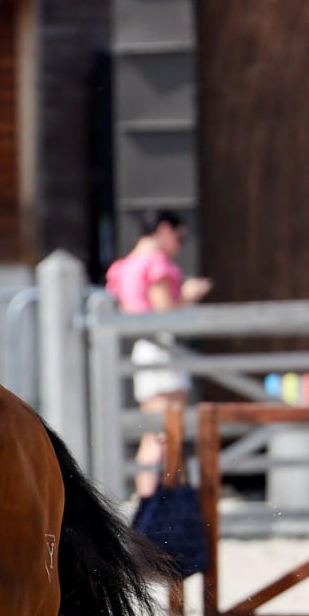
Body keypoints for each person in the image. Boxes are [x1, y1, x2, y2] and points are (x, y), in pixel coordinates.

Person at [105, 209, 213, 498]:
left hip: (144, 348)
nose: (178, 244)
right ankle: (156, 502)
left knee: (155, 431)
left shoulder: (124, 266)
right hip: (162, 349)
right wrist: (188, 294)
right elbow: (163, 311)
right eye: (178, 237)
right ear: (164, 229)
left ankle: (152, 499)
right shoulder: (156, 263)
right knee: (164, 431)